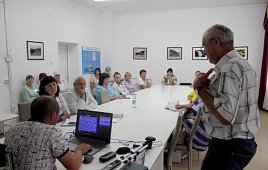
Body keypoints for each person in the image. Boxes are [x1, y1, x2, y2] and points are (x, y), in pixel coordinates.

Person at [193, 24, 260, 169]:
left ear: (215, 41)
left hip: (228, 145)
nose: (204, 53)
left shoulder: (228, 69)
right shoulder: (243, 65)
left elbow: (226, 116)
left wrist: (200, 89)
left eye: (204, 46)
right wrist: (210, 89)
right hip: (242, 141)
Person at [4, 96, 92, 170]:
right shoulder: (51, 132)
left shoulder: (12, 128)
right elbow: (74, 166)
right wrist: (79, 150)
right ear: (53, 115)